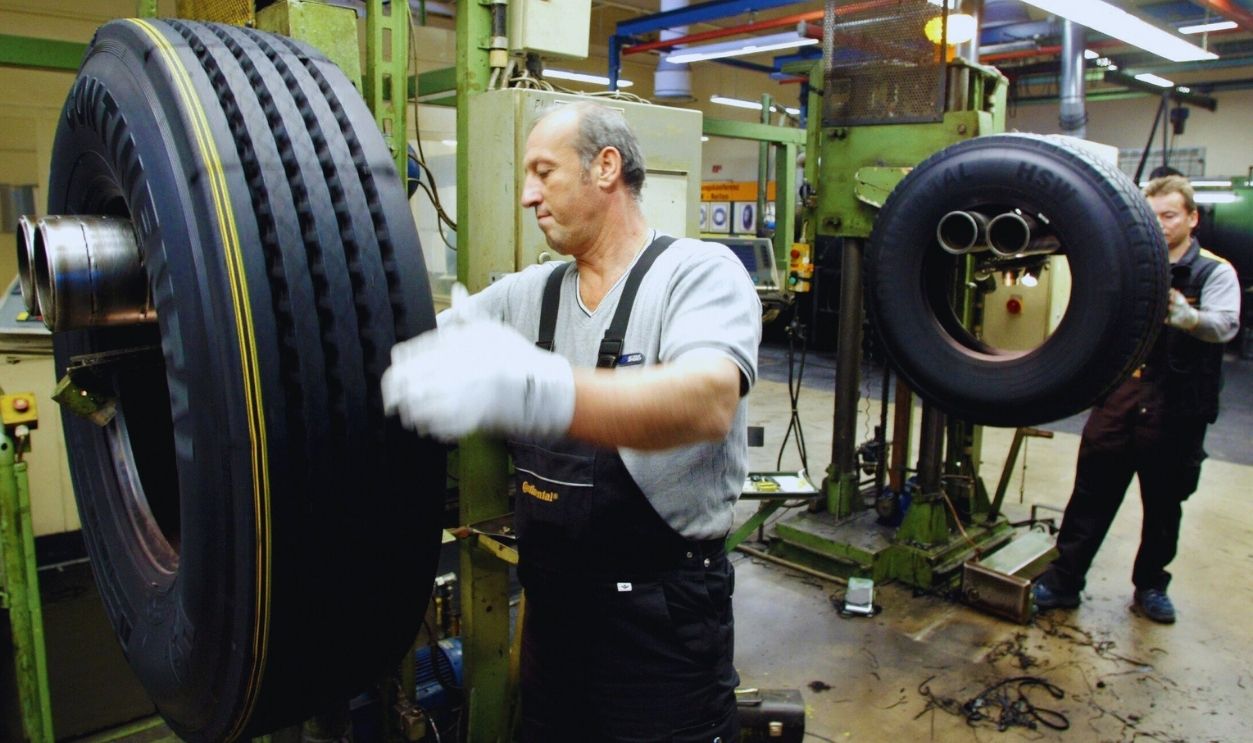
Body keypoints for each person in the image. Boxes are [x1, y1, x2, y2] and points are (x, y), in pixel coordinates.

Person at [383, 101, 762, 741]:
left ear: (605, 168)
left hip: (662, 628)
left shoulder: (697, 275)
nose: (529, 195)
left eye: (544, 172)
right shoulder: (527, 295)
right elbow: (400, 345)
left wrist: (539, 391)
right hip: (551, 625)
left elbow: (707, 401)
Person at [1032, 175, 1240, 624]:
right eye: (1153, 215)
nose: (1161, 225)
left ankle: (1150, 587)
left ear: (1192, 218)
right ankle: (1064, 582)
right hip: (1121, 399)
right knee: (1090, 496)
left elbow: (1226, 325)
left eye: (1170, 215)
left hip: (1177, 406)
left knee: (1164, 504)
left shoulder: (1215, 272)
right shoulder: (1130, 264)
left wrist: (1190, 318)